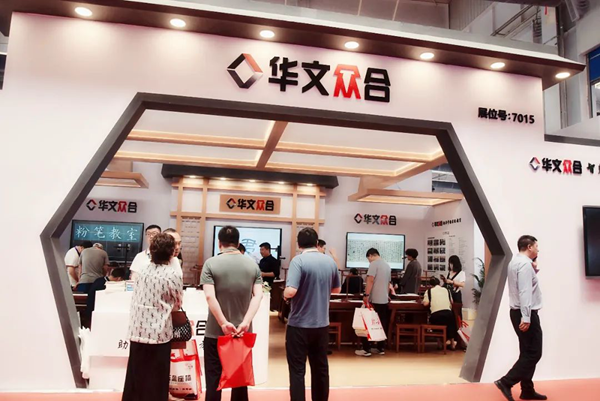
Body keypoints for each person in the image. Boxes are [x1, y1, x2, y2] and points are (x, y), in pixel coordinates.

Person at [200, 226, 263, 401]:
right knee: (240, 381)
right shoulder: (252, 265)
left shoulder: (210, 264)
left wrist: (223, 323)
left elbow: (209, 296)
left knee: (213, 380)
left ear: (219, 243)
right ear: (238, 242)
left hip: (215, 332)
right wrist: (245, 322)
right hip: (242, 333)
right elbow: (258, 296)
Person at [122, 233, 183, 401]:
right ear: (171, 253)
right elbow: (178, 303)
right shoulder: (172, 274)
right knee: (156, 376)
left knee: (136, 374)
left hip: (137, 329)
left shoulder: (142, 271)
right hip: (159, 332)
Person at [284, 227, 341, 401]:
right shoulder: (329, 262)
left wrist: (285, 293)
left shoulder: (298, 261)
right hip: (322, 324)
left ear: (298, 244)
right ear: (317, 243)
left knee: (297, 370)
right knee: (320, 368)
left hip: (299, 325)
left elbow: (291, 291)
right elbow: (337, 290)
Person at [495, 236, 546, 401]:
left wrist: (534, 269)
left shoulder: (516, 262)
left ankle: (527, 389)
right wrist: (526, 317)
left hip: (518, 312)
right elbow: (524, 291)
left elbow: (522, 284)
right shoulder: (524, 265)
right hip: (525, 312)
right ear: (529, 247)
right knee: (534, 352)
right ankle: (506, 382)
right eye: (536, 246)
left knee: (526, 352)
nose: (538, 249)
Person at [356, 248, 393, 357]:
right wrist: (386, 294)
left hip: (374, 299)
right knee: (381, 324)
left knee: (367, 323)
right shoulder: (387, 265)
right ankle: (380, 348)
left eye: (368, 259)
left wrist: (366, 295)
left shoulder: (373, 264)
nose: (369, 261)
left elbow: (370, 280)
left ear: (371, 255)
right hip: (384, 299)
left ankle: (366, 349)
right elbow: (388, 283)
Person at [423, 277, 458, 350]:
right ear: (439, 283)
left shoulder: (429, 291)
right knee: (451, 324)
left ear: (431, 285)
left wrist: (423, 301)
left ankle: (439, 344)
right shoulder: (447, 290)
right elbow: (451, 302)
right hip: (448, 313)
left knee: (436, 323)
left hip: (436, 315)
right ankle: (452, 344)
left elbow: (425, 304)